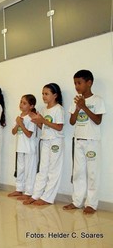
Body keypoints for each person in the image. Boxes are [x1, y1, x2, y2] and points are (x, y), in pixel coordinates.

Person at [63, 70, 105, 214]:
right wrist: (77, 108)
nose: (76, 86)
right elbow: (72, 121)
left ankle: (91, 204)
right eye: (75, 83)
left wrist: (84, 106)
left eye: (79, 83)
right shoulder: (75, 101)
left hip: (92, 141)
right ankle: (77, 201)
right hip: (78, 141)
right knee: (78, 173)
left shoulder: (97, 100)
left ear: (89, 83)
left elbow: (98, 120)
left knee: (92, 173)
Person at [24, 83, 64, 206]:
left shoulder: (59, 109)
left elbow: (59, 127)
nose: (44, 96)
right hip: (45, 141)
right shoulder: (43, 110)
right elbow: (43, 126)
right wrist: (36, 121)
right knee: (42, 169)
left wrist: (42, 120)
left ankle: (48, 198)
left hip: (55, 141)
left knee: (53, 171)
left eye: (46, 94)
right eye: (43, 93)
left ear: (55, 95)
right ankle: (36, 195)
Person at [8, 94, 38, 199]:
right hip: (20, 148)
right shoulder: (19, 116)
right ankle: (19, 189)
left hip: (29, 149)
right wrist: (18, 123)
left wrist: (21, 124)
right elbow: (13, 132)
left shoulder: (32, 117)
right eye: (21, 102)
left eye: (24, 103)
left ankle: (29, 192)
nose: (21, 104)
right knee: (20, 169)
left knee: (29, 171)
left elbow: (29, 134)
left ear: (31, 106)